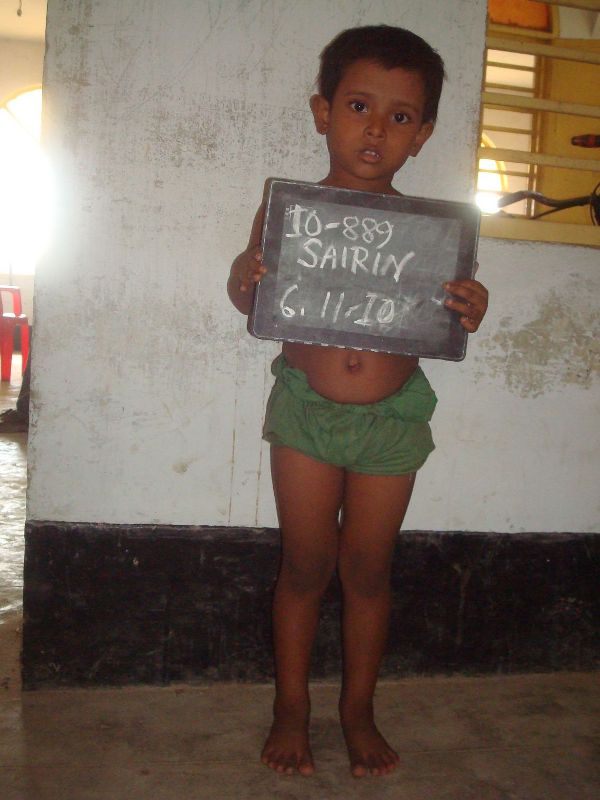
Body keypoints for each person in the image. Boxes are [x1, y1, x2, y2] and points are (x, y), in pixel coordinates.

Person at [227, 25, 488, 778]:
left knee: (369, 571)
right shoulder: (291, 214)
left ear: (422, 135)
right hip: (306, 413)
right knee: (305, 566)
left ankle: (358, 710)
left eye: (399, 116)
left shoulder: (430, 236)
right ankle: (290, 708)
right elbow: (251, 302)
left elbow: (450, 312)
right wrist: (245, 275)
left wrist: (470, 305)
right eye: (359, 106)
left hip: (391, 420)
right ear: (323, 112)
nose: (376, 128)